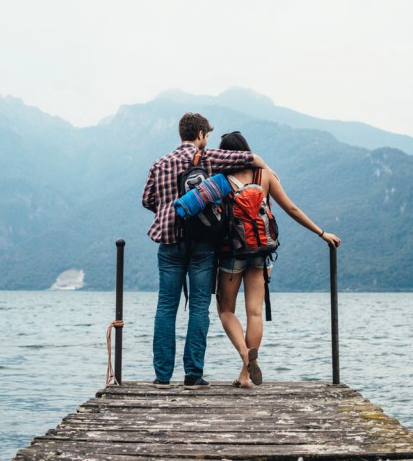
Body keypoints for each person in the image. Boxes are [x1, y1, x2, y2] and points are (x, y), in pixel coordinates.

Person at [142, 113, 269, 389]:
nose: (207, 139)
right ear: (200, 134)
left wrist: (167, 210)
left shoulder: (159, 163)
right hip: (203, 244)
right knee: (199, 307)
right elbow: (250, 159)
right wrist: (268, 169)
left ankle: (162, 376)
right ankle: (193, 375)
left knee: (166, 306)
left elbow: (147, 200)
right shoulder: (209, 157)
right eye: (207, 135)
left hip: (169, 242)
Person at [215, 131, 341, 388]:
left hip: (232, 253)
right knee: (255, 312)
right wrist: (321, 233)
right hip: (262, 252)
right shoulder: (266, 176)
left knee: (226, 310)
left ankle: (244, 354)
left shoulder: (220, 180)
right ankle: (245, 374)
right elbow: (291, 209)